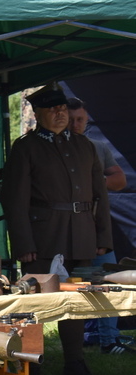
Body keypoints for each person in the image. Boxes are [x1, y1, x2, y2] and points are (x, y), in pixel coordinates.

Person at [2, 82, 112, 375]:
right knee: (34, 305)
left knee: (77, 304)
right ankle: (32, 368)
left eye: (62, 108)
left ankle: (75, 364)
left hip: (81, 236)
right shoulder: (26, 148)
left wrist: (103, 238)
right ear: (37, 114)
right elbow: (15, 200)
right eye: (52, 109)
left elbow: (99, 194)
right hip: (43, 238)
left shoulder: (83, 145)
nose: (60, 114)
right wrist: (23, 244)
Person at [67, 96, 133, 355]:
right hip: (61, 231)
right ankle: (83, 339)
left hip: (93, 229)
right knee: (69, 286)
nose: (75, 125)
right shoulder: (51, 150)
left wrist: (91, 185)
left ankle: (108, 339)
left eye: (80, 119)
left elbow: (119, 180)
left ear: (87, 120)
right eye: (71, 120)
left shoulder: (97, 147)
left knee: (108, 282)